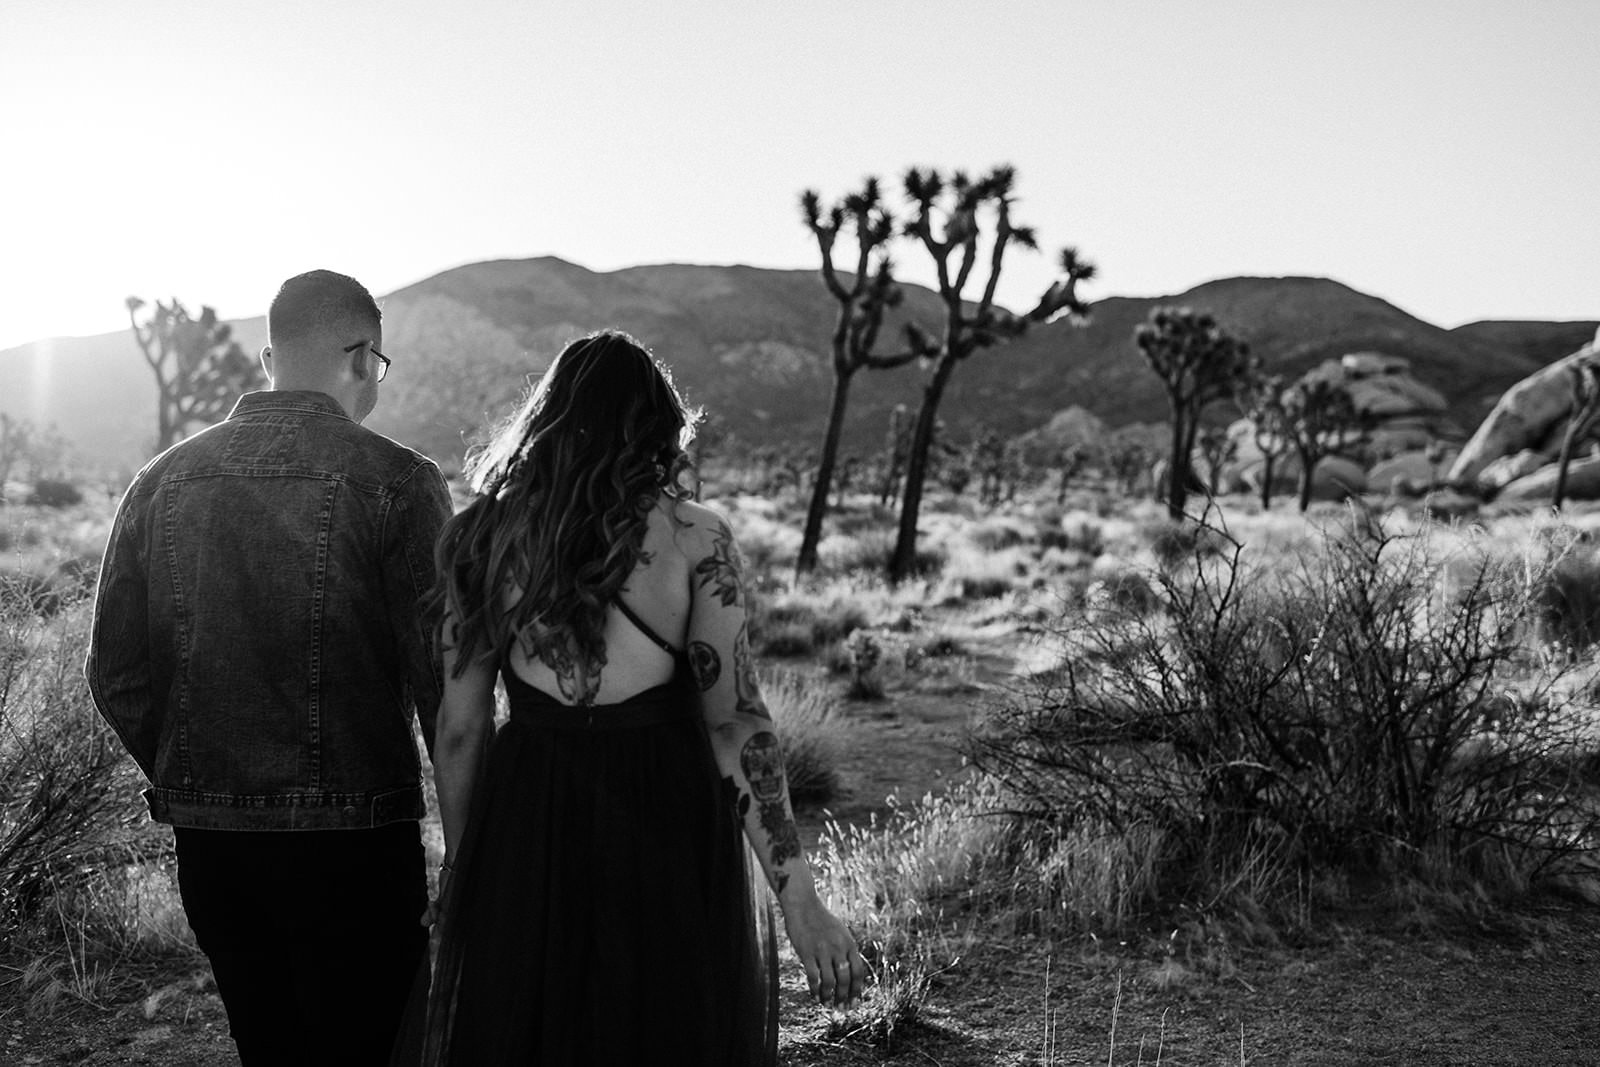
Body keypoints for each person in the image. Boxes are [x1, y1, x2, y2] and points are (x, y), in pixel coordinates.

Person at [407, 330, 864, 1065]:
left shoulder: (482, 537)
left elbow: (460, 729)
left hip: (530, 820)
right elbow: (738, 723)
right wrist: (798, 898)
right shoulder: (695, 538)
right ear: (657, 426)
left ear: (546, 420)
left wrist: (468, 870)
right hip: (666, 819)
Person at [85, 269, 454, 1066]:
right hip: (356, 845)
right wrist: (472, 841)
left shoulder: (160, 480)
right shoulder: (398, 481)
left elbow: (113, 672)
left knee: (270, 1045)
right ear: (361, 358)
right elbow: (445, 687)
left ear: (267, 358)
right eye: (378, 367)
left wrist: (199, 771)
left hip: (216, 848)